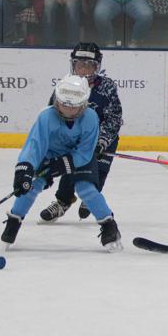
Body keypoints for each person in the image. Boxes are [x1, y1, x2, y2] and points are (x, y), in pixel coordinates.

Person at [2, 75, 122, 251]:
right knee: (31, 185)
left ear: (83, 104)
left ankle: (108, 225)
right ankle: (13, 221)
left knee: (85, 188)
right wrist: (24, 168)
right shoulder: (45, 117)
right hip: (49, 154)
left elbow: (85, 152)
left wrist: (64, 163)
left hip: (79, 157)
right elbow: (35, 146)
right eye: (64, 104)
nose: (67, 110)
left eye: (73, 106)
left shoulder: (91, 118)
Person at [39, 43, 124, 223]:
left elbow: (114, 119)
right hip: (74, 140)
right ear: (73, 65)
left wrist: (101, 141)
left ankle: (91, 199)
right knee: (70, 168)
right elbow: (52, 115)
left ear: (97, 66)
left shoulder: (106, 86)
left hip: (103, 141)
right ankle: (63, 201)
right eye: (80, 65)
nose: (84, 70)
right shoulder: (65, 86)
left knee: (98, 171)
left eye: (89, 65)